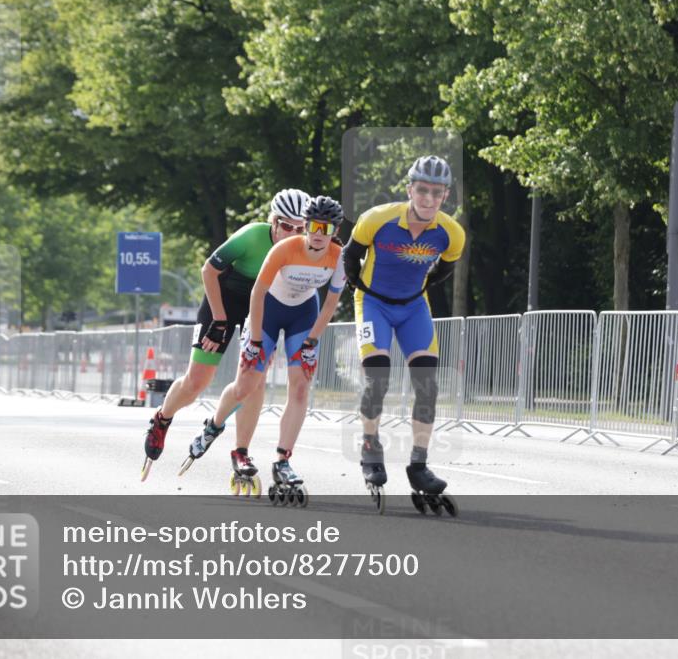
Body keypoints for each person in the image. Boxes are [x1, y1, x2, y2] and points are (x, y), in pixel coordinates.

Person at [181, 196, 347, 502]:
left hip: (303, 315)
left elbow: (331, 303)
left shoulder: (339, 257)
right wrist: (255, 340)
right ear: (305, 226)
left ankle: (283, 461)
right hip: (267, 312)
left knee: (300, 388)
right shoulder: (284, 248)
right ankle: (214, 426)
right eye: (312, 225)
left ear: (335, 229)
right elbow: (257, 294)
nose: (318, 233)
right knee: (246, 385)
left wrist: (312, 339)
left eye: (326, 227)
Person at [139, 189, 310, 480]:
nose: (292, 233)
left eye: (299, 228)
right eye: (285, 226)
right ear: (273, 222)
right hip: (224, 299)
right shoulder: (251, 236)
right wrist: (219, 320)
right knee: (197, 382)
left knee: (255, 380)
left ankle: (240, 451)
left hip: (260, 306)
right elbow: (209, 270)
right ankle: (162, 418)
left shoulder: (304, 248)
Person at [341, 155, 465, 511]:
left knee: (427, 384)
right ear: (410, 189)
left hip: (414, 306)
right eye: (422, 190)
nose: (428, 198)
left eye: (436, 193)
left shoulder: (450, 232)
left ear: (445, 196)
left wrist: (419, 286)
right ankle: (370, 445)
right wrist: (357, 288)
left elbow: (444, 270)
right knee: (377, 378)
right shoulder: (377, 220)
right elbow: (351, 258)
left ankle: (419, 465)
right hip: (374, 303)